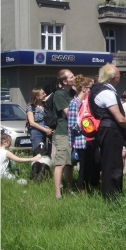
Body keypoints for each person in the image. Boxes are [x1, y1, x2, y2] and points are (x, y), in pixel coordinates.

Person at [90, 64, 126, 200]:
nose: (120, 75)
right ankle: (112, 197)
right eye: (119, 73)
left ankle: (112, 194)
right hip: (110, 130)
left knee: (110, 163)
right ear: (113, 77)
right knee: (113, 165)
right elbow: (118, 117)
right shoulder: (106, 92)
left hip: (106, 130)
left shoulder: (98, 89)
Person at [67, 75, 99, 193]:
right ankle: (82, 191)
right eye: (91, 88)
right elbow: (71, 124)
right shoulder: (74, 103)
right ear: (84, 88)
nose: (92, 90)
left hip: (92, 138)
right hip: (81, 140)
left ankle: (95, 188)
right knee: (84, 168)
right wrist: (87, 127)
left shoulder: (88, 103)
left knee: (96, 164)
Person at [52, 69, 75, 199]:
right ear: (65, 81)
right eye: (72, 76)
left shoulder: (72, 92)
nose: (75, 77)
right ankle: (58, 193)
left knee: (70, 163)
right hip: (62, 132)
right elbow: (69, 113)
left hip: (72, 132)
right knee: (61, 163)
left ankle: (69, 188)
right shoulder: (59, 95)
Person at [26, 88, 52, 152]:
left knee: (47, 153)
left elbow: (51, 95)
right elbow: (32, 122)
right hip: (36, 132)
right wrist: (45, 130)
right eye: (43, 93)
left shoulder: (45, 105)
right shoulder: (31, 107)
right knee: (39, 152)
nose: (45, 94)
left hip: (47, 133)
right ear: (37, 96)